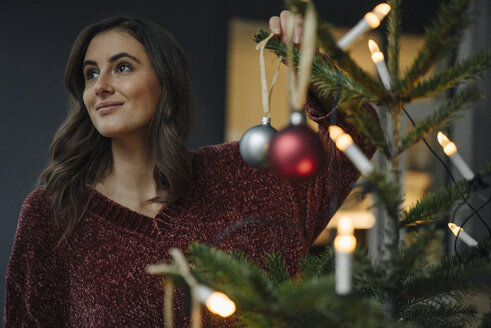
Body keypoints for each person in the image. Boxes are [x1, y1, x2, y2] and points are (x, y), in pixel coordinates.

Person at [3, 13, 375, 327]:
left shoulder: (247, 177)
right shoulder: (54, 213)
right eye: (90, 73)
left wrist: (312, 65)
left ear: (165, 83)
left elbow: (359, 137)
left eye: (122, 67)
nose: (100, 86)